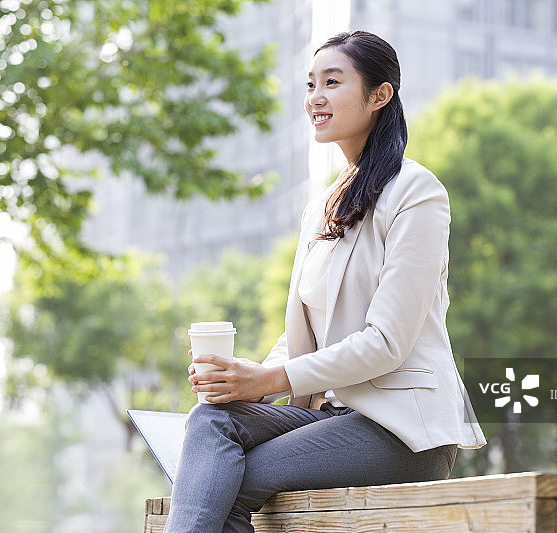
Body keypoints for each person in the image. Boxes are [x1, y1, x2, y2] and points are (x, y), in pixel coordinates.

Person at [164, 31, 486, 533]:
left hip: (400, 429)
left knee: (228, 478)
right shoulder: (322, 206)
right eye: (310, 83)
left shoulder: (417, 193)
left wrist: (270, 381)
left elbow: (386, 343)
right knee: (210, 419)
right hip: (328, 418)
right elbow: (304, 336)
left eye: (332, 82)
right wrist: (246, 378)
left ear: (380, 95)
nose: (315, 96)